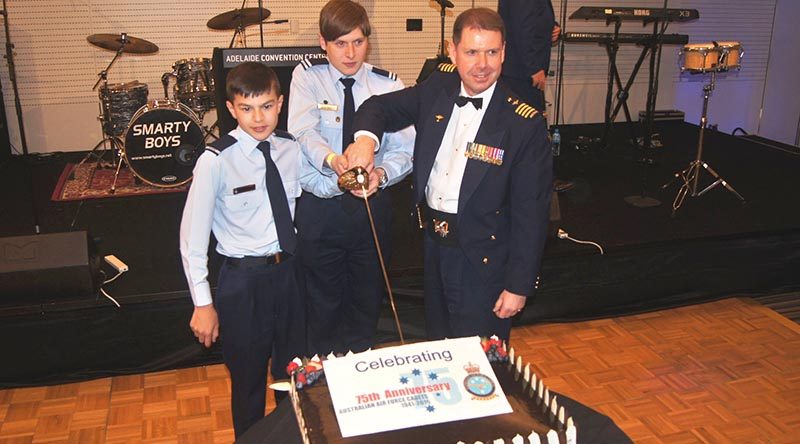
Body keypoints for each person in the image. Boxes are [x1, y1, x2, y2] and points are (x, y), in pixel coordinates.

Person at [344, 8, 552, 341]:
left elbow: (532, 214)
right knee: (442, 354)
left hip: (484, 262)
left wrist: (518, 286)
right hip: (434, 248)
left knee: (481, 370)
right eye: (471, 52)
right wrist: (366, 144)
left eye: (492, 52)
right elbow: (377, 108)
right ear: (452, 52)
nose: (482, 64)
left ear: (504, 53)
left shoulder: (523, 123)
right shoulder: (437, 87)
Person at [179, 62, 305, 438]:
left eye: (266, 106)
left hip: (289, 275)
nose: (258, 118)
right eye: (247, 108)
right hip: (244, 282)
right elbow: (192, 239)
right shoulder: (214, 161)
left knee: (293, 375)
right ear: (231, 109)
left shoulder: (289, 148)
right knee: (249, 383)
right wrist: (203, 303)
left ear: (280, 103)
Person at [288, 0, 413, 355]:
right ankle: (322, 386)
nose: (350, 53)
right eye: (340, 43)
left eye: (358, 42)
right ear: (323, 42)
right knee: (321, 303)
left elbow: (405, 151)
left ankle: (360, 374)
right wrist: (332, 160)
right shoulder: (307, 77)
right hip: (321, 208)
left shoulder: (388, 85)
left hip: (370, 208)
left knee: (365, 301)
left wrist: (383, 173)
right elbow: (302, 130)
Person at [498, 0, 558, 112]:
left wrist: (553, 28)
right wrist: (533, 69)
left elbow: (532, 20)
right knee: (528, 123)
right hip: (522, 73)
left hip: (521, 72)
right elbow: (521, 31)